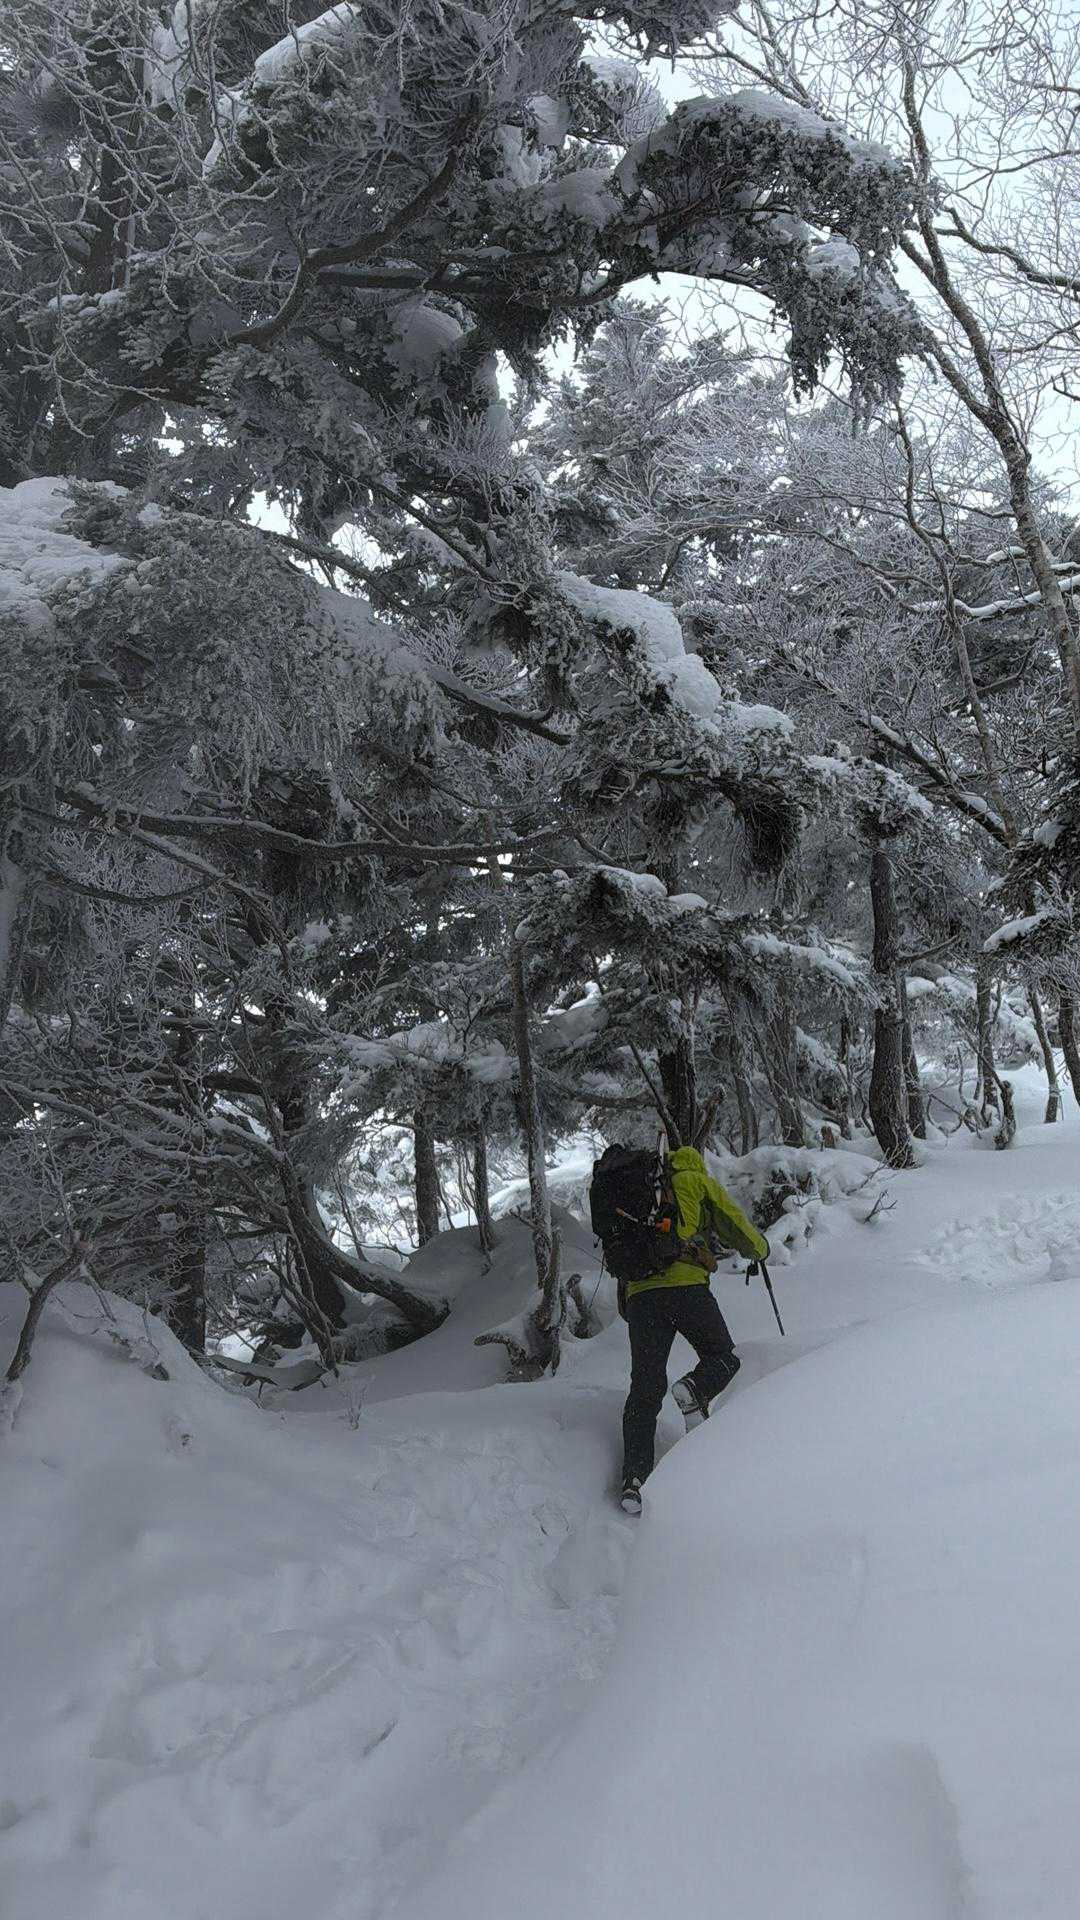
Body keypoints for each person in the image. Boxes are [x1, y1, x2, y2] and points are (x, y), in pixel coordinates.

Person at [621, 1145, 768, 1513]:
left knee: (645, 1386)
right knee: (723, 1357)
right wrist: (760, 1249)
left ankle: (634, 1480)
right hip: (688, 1290)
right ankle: (695, 1388)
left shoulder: (638, 1192)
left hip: (642, 1296)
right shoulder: (696, 1180)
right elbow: (733, 1222)